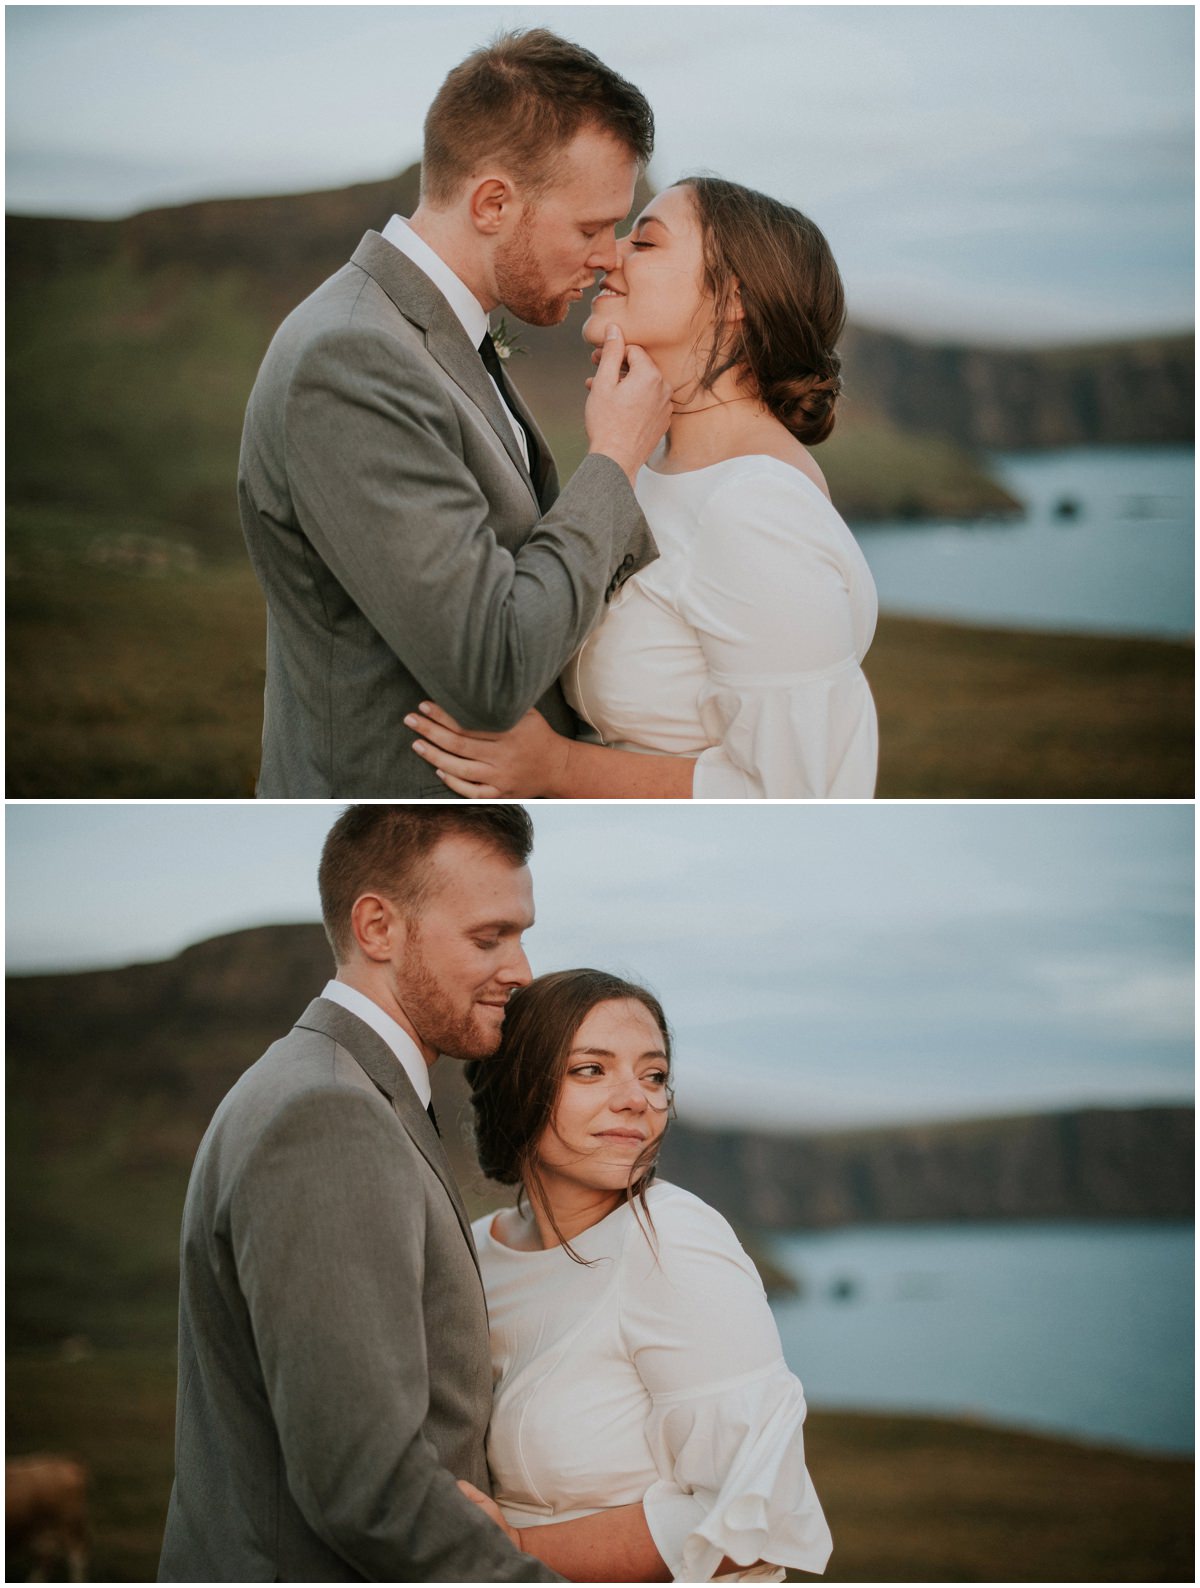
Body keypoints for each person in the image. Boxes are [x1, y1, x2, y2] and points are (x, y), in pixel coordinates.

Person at [238, 29, 673, 797]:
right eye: (589, 227)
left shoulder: (433, 334)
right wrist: (615, 460)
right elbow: (490, 668)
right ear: (494, 203)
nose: (609, 256)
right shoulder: (349, 358)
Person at [158, 805, 564, 1582]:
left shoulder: (329, 1086)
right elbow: (365, 1486)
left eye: (522, 934)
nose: (522, 971)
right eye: (490, 937)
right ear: (378, 927)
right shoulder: (330, 1115)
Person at [407, 177, 879, 800]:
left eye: (646, 243)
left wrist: (559, 769)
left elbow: (806, 794)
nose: (607, 255)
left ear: (734, 297)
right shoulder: (649, 460)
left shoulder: (756, 509)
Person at [459, 969, 834, 1582]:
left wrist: (512, 1549)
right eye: (591, 1069)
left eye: (654, 1075)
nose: (638, 1097)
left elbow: (754, 1524)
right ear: (516, 1088)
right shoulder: (474, 1252)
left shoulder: (674, 1241)